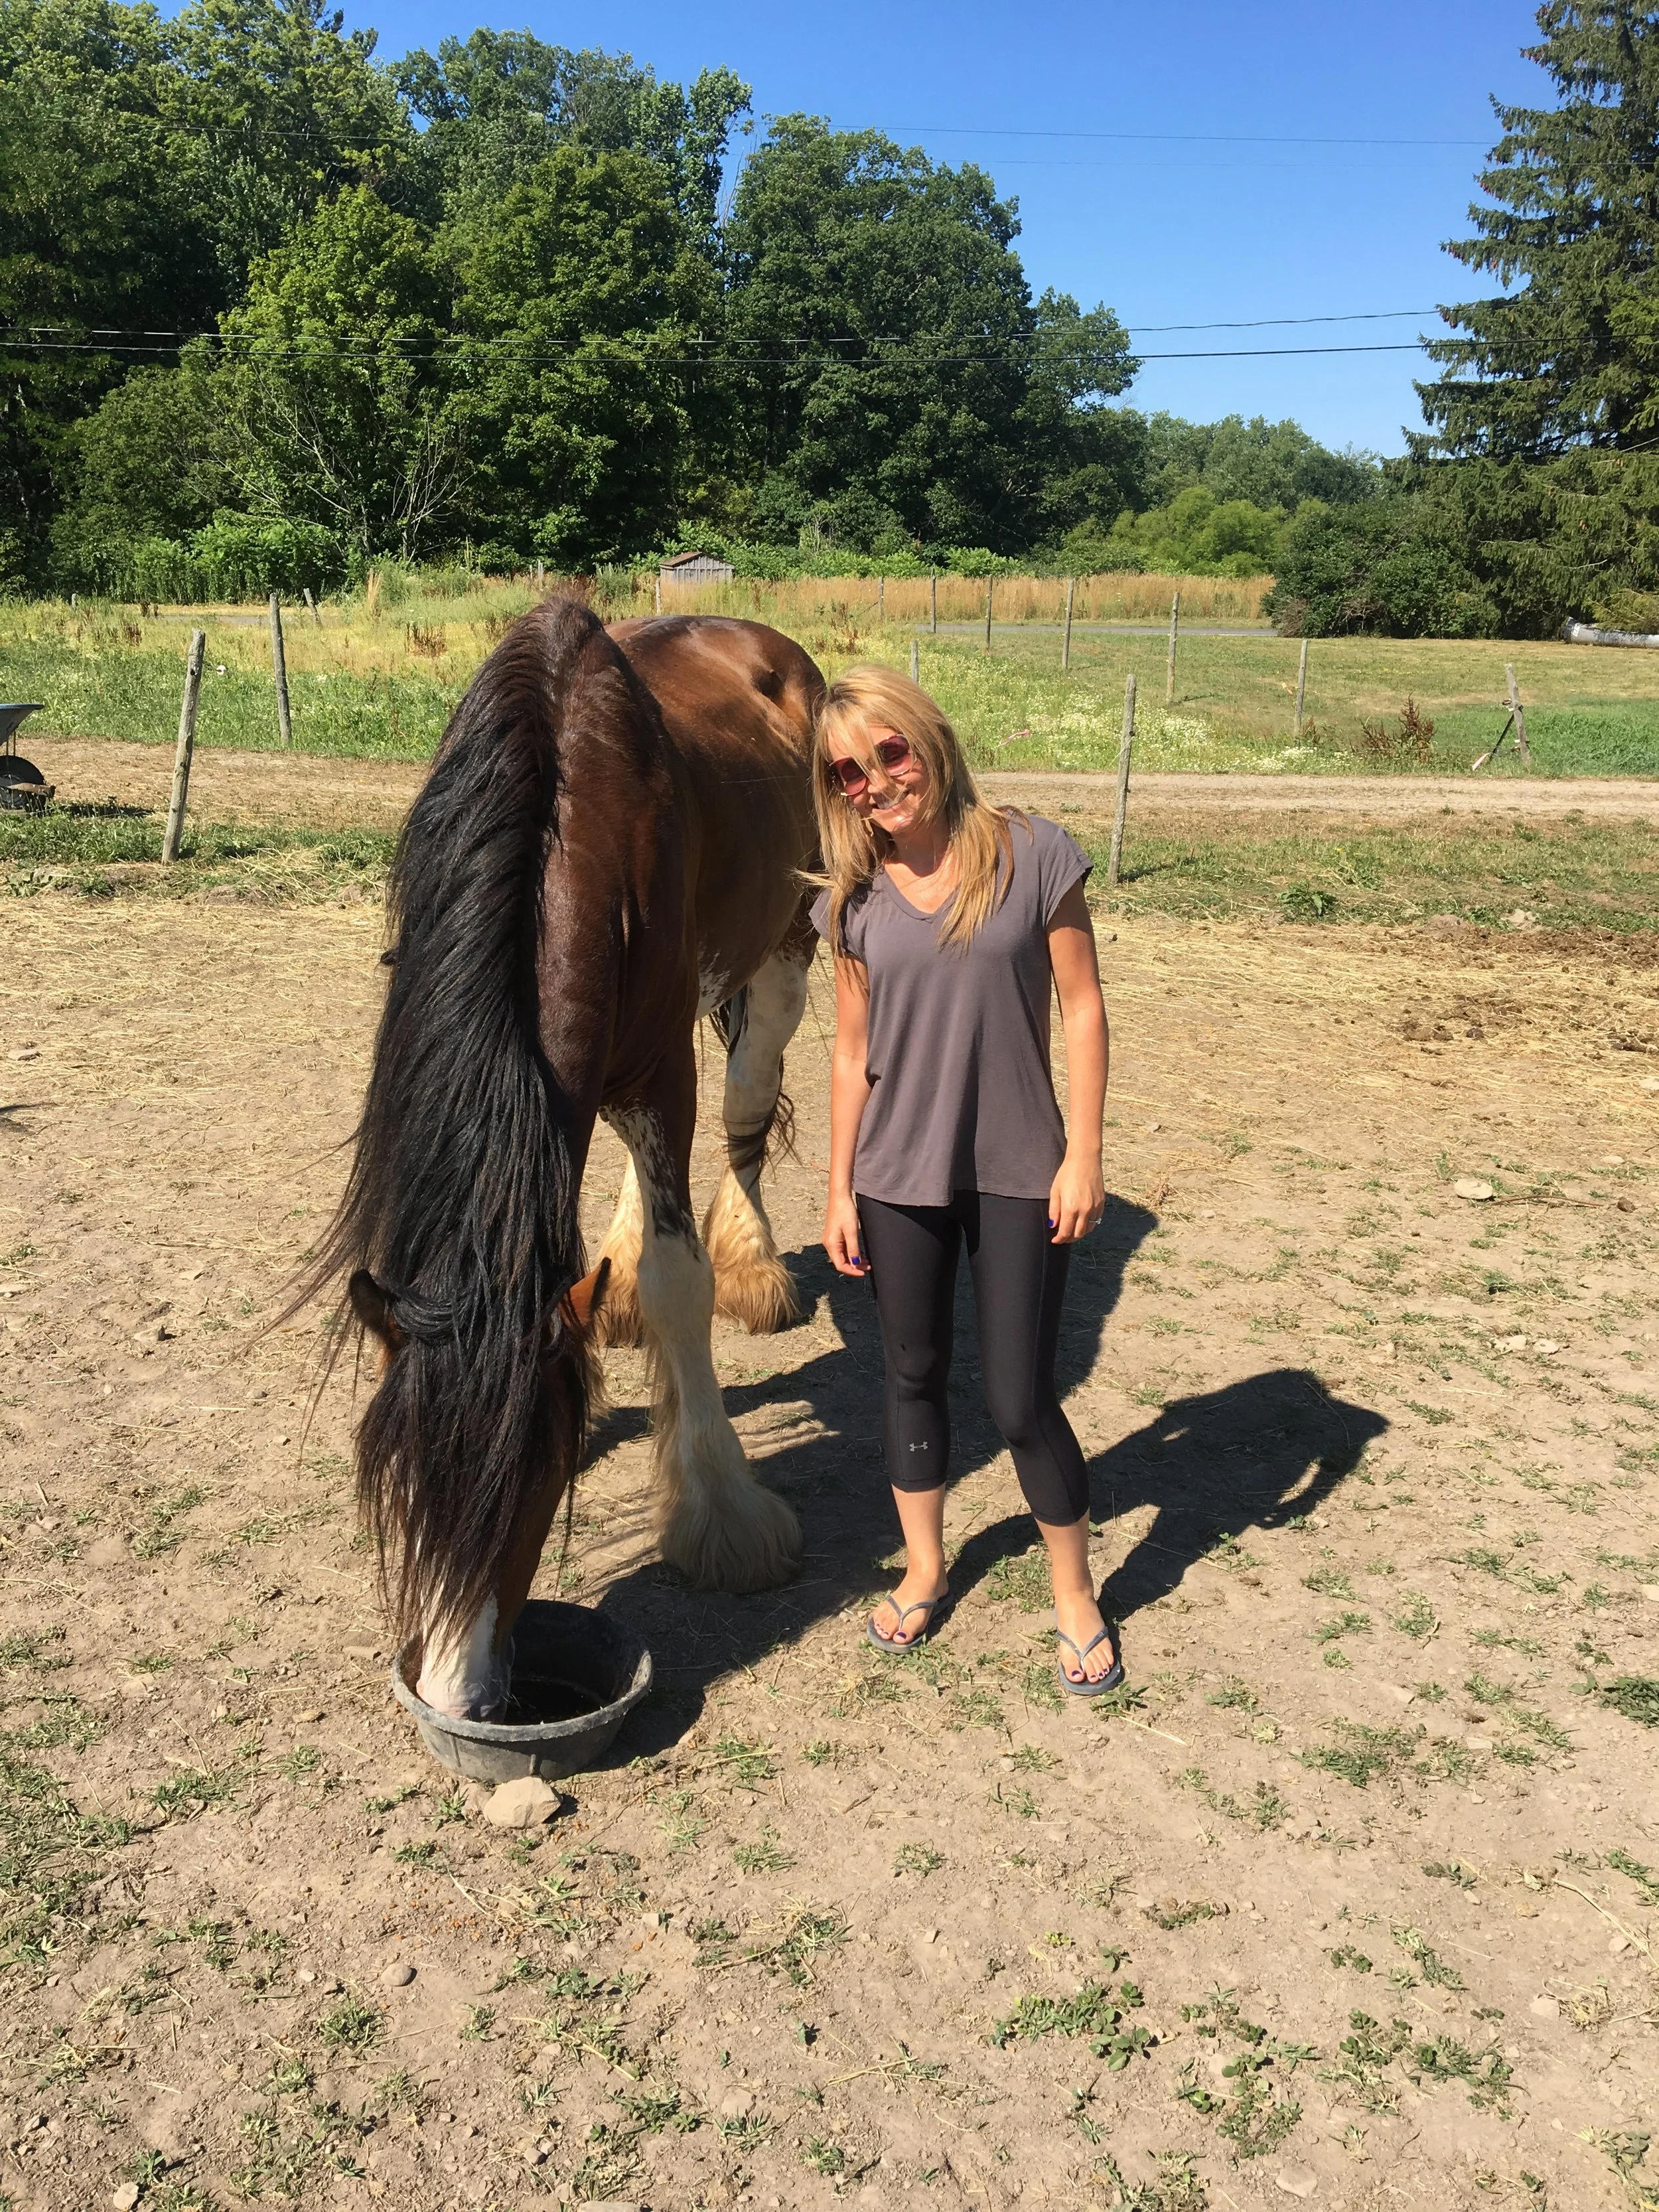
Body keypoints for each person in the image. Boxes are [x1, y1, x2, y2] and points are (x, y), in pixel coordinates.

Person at [808, 664, 1121, 1694]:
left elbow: (1082, 1005)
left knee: (1021, 1398)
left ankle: (1074, 1595)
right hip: (897, 1172)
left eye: (889, 752)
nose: (876, 782)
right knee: (911, 1375)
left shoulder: (1034, 854)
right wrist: (839, 1187)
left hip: (1022, 1167)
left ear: (930, 741)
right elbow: (851, 1053)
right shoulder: (851, 901)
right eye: (850, 772)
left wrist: (1085, 1152)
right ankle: (926, 1568)